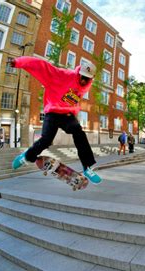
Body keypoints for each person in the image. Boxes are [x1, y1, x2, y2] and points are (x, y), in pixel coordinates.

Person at [9, 56, 102, 184]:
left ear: (91, 79)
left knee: (79, 132)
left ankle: (87, 167)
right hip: (52, 112)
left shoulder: (86, 86)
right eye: (82, 77)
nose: (83, 80)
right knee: (46, 140)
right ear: (79, 73)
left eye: (87, 79)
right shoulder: (64, 75)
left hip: (67, 115)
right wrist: (19, 62)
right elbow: (41, 66)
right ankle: (26, 156)